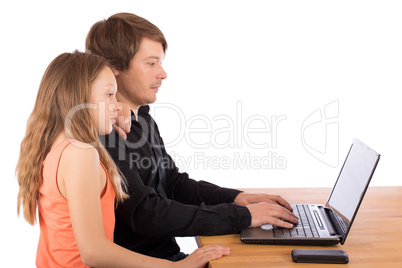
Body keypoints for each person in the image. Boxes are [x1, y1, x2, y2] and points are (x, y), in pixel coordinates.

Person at [86, 13, 298, 261]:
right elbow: (146, 214)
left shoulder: (142, 118)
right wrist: (242, 216)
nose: (163, 74)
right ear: (115, 69)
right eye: (151, 63)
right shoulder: (107, 132)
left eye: (161, 63)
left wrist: (236, 199)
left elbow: (173, 183)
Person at [16, 51, 230, 267]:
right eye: (110, 95)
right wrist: (176, 267)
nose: (117, 104)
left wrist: (112, 110)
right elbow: (93, 252)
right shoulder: (81, 154)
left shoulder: (55, 147)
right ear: (79, 96)